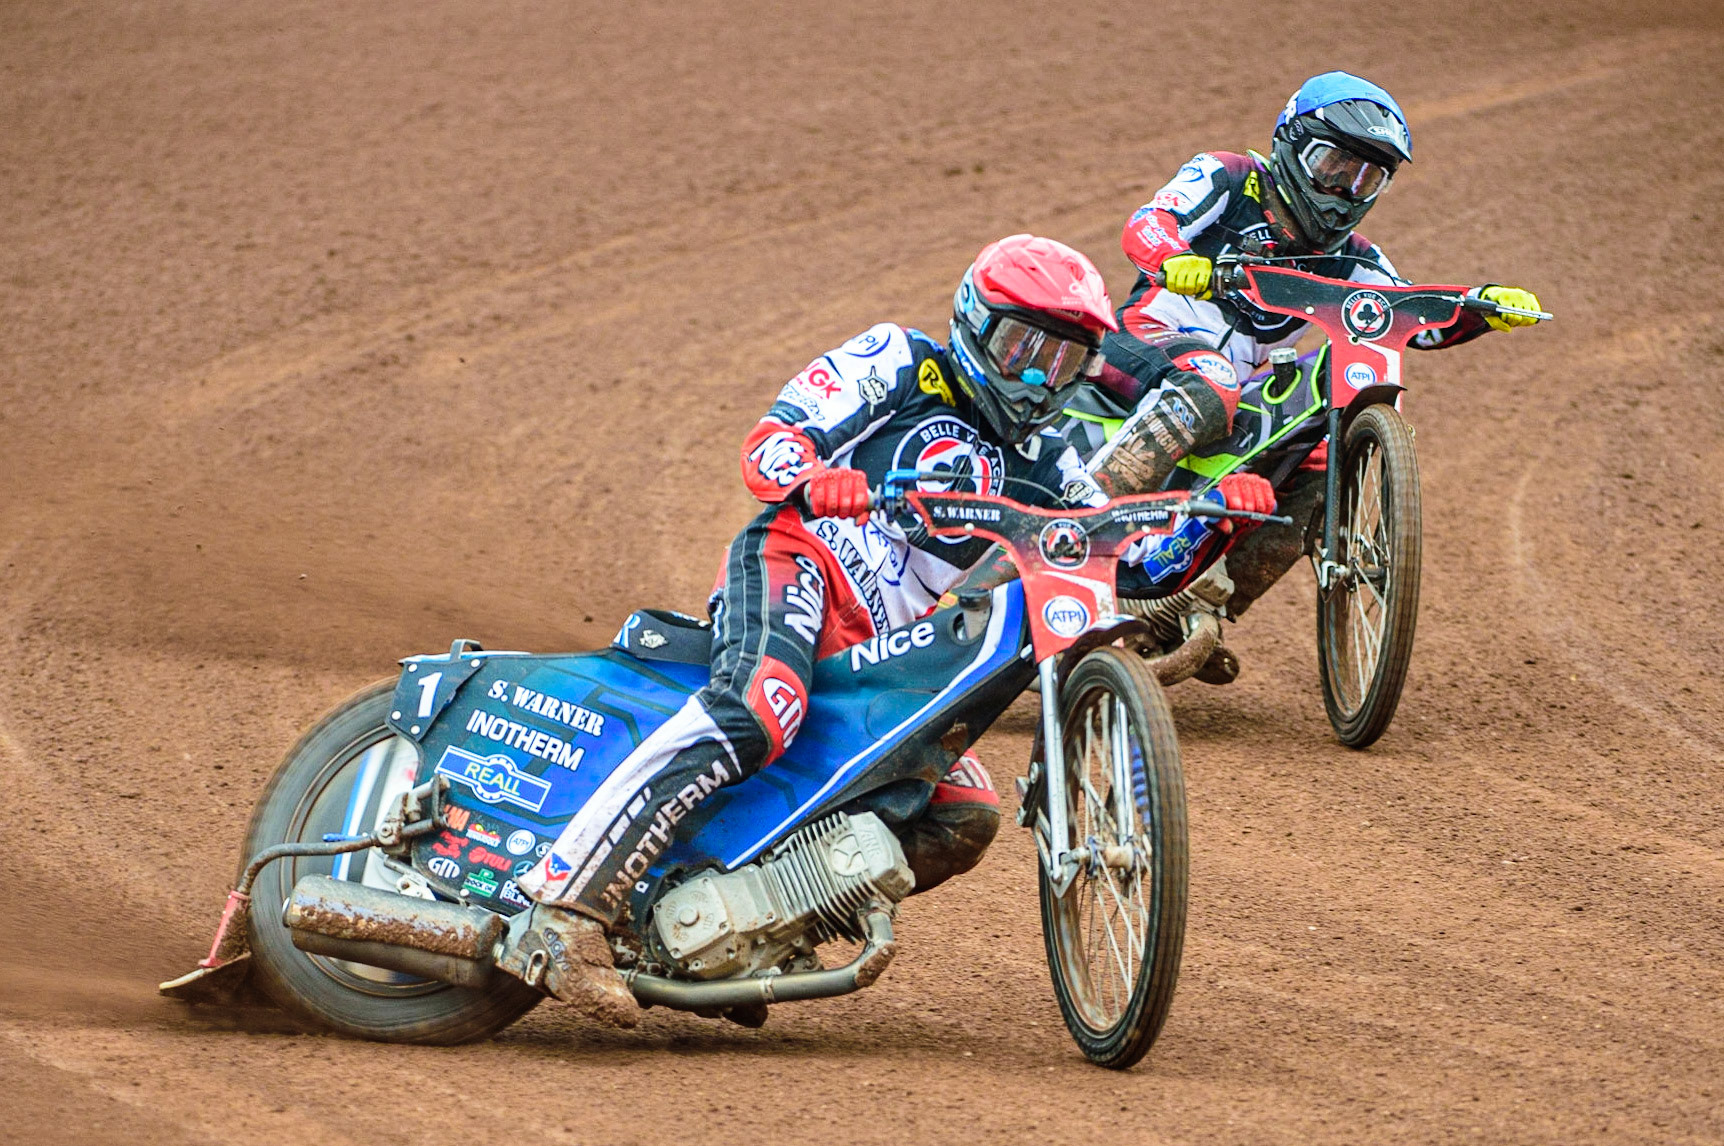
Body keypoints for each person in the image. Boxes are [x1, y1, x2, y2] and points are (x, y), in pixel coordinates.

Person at [498, 235, 1274, 1025]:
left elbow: (1123, 562)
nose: (1039, 376)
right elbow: (774, 440)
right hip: (803, 564)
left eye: (1065, 360)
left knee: (962, 816)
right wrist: (811, 475)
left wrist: (1216, 520)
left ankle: (750, 932)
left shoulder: (1055, 459)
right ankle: (564, 910)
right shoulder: (903, 360)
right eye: (1023, 347)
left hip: (892, 661)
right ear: (976, 322)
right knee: (760, 708)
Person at [1061, 71, 1544, 636]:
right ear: (1290, 144)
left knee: (1323, 458)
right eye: (1333, 165)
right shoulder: (1230, 177)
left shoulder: (1355, 257)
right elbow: (1148, 221)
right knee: (1211, 375)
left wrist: (1477, 309)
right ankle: (1083, 513)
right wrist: (1172, 257)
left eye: (1366, 179)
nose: (1343, 190)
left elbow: (1410, 320)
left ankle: (1198, 609)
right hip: (1143, 344)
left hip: (1232, 391)